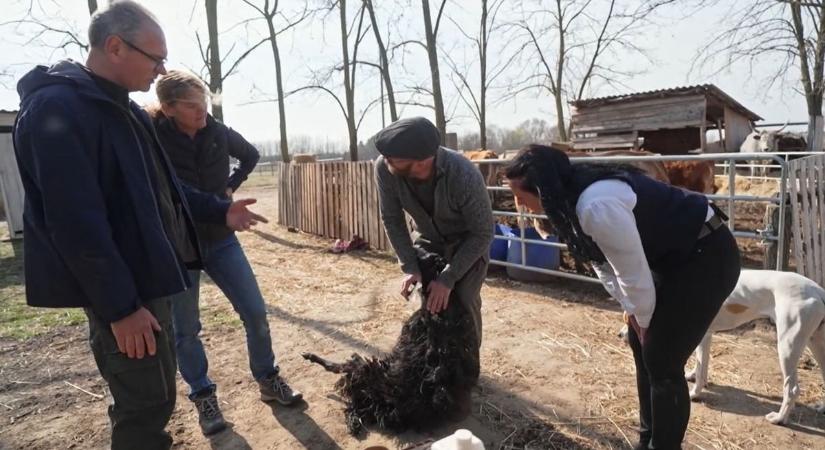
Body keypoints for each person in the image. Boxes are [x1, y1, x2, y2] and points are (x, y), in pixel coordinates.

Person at [12, 2, 266, 449]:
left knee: (158, 396)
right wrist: (120, 308)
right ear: (115, 46)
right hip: (125, 294)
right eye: (155, 58)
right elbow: (73, 223)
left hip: (150, 282)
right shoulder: (59, 108)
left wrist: (217, 209)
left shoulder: (123, 111)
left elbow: (163, 190)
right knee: (143, 409)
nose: (161, 69)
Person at [504, 145, 741, 450]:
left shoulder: (596, 205)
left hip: (706, 255)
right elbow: (602, 263)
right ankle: (647, 439)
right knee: (640, 343)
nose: (519, 204)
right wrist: (632, 312)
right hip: (674, 256)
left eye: (521, 196)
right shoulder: (572, 200)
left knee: (662, 358)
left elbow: (633, 274)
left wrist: (642, 318)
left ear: (542, 189)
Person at [148, 70, 301, 435]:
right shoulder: (153, 139)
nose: (201, 110)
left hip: (221, 237)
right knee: (186, 330)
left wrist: (230, 187)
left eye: (203, 102)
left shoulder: (217, 131)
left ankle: (267, 377)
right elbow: (169, 190)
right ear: (169, 109)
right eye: (190, 105)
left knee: (255, 312)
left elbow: (250, 155)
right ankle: (203, 396)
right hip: (179, 245)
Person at [372, 117, 493, 379]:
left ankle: (467, 373)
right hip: (427, 239)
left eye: (394, 159)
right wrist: (410, 266)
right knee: (431, 303)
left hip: (467, 242)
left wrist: (448, 278)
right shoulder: (385, 167)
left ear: (422, 160)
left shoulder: (463, 174)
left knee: (463, 300)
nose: (386, 162)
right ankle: (435, 367)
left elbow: (483, 232)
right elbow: (391, 219)